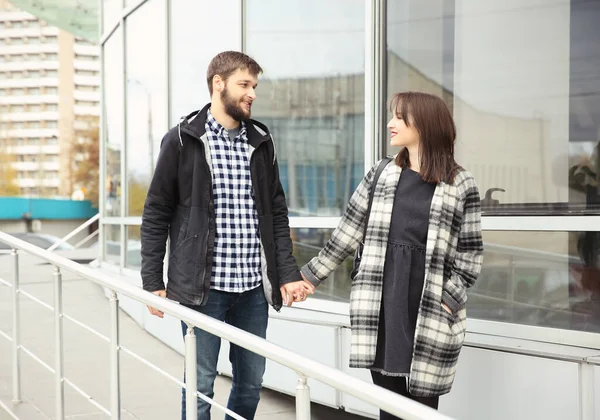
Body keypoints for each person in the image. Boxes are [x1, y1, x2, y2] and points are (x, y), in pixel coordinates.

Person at [140, 51, 313, 420]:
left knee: (251, 383)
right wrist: (152, 280)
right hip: (203, 289)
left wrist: (286, 273)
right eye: (244, 85)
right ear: (219, 84)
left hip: (252, 289)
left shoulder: (261, 141)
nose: (252, 93)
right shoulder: (182, 140)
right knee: (200, 385)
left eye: (255, 86)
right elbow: (156, 211)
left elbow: (276, 215)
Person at [300, 91, 484, 419]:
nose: (390, 124)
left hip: (428, 309)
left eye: (399, 117)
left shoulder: (460, 183)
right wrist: (309, 276)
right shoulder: (381, 173)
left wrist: (448, 301)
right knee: (388, 407)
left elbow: (470, 254)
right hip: (383, 304)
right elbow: (348, 231)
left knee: (422, 409)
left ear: (425, 124)